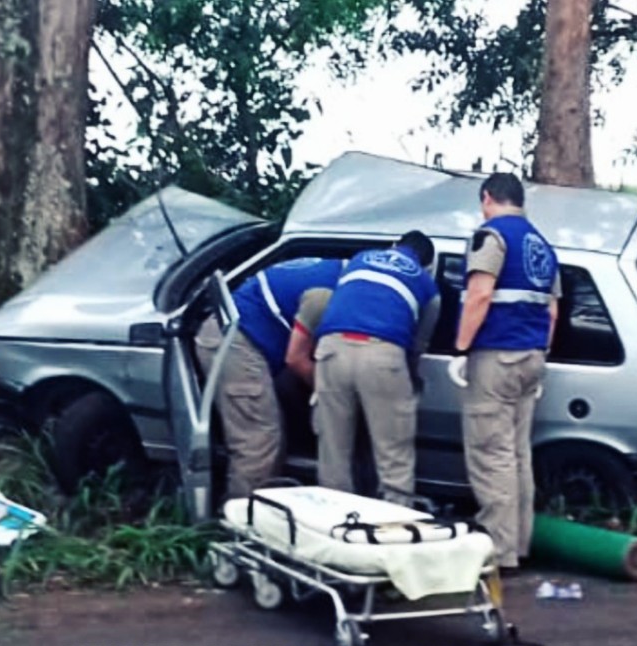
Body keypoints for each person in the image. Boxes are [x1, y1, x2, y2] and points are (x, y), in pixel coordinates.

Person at [452, 172, 560, 571]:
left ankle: (498, 551)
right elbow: (552, 311)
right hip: (532, 356)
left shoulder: (490, 236)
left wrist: (461, 348)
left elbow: (480, 294)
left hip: (496, 357)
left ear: (487, 198)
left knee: (489, 454)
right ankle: (519, 543)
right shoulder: (542, 245)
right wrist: (540, 350)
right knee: (516, 454)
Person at [194, 257, 343, 500]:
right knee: (258, 442)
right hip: (235, 341)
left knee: (271, 436)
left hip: (241, 328)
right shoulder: (327, 293)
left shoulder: (333, 266)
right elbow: (296, 359)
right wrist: (332, 395)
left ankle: (265, 511)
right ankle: (241, 522)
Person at [313, 231, 440, 506]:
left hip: (331, 349)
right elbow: (418, 346)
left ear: (394, 245)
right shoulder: (427, 284)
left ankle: (333, 524)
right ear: (427, 264)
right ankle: (392, 527)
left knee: (333, 448)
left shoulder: (358, 259)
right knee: (394, 454)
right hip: (382, 355)